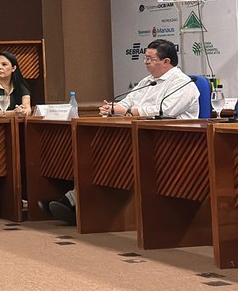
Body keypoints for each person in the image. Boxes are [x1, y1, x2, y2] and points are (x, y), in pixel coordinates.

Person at [43, 39, 200, 225]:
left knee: (111, 154)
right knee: (99, 151)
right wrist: (112, 107)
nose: (146, 62)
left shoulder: (183, 83)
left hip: (175, 142)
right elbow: (127, 101)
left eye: (150, 58)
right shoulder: (147, 81)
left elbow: (164, 111)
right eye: (145, 57)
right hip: (144, 136)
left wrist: (125, 112)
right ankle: (77, 202)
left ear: (166, 62)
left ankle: (77, 203)